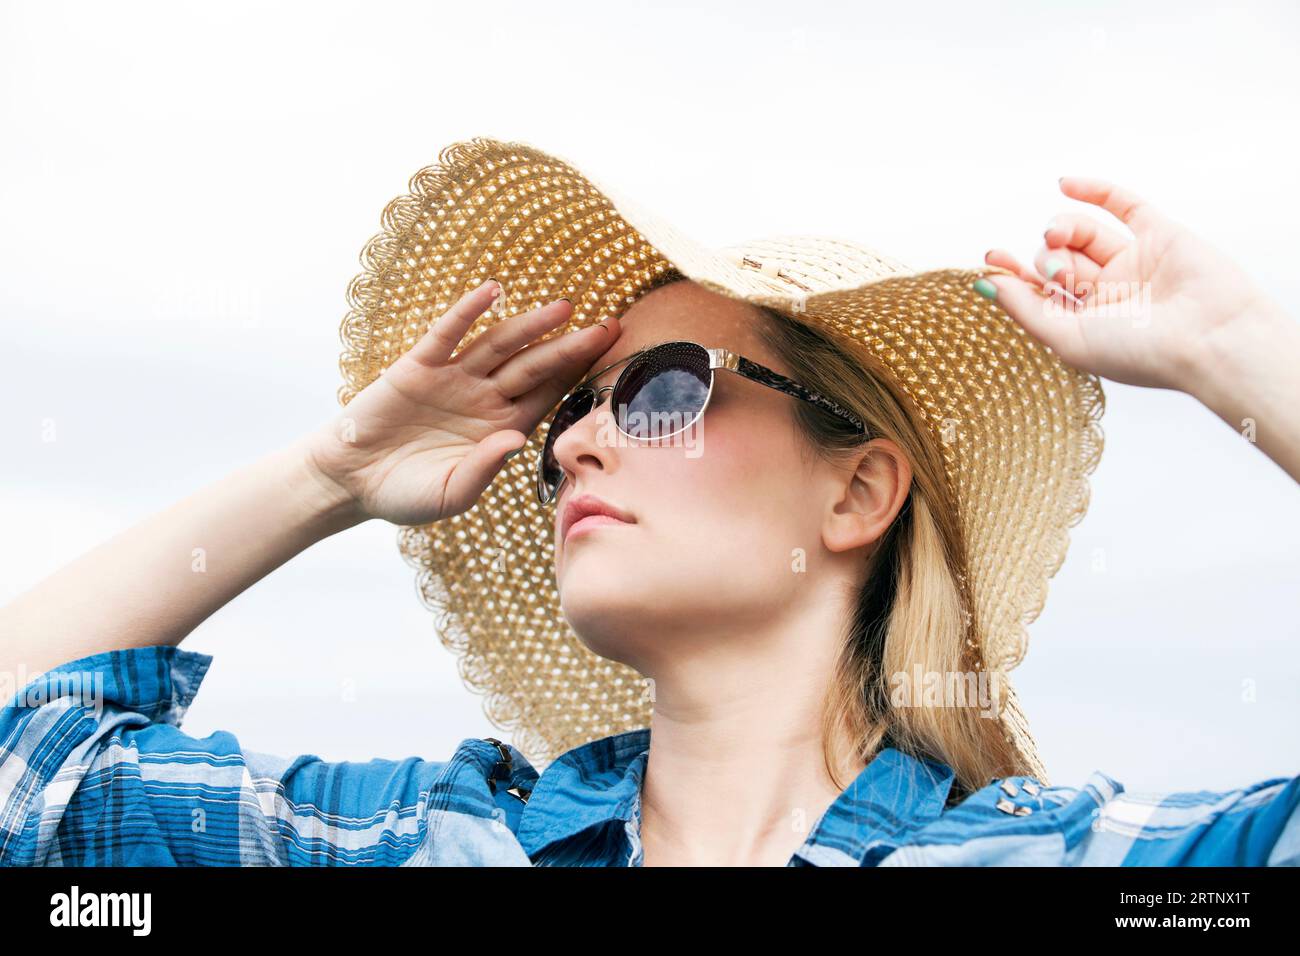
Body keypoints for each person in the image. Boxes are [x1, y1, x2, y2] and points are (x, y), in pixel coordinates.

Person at [1, 170, 1297, 867]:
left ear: (856, 493)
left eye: (662, 389)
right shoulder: (443, 841)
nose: (576, 440)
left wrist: (1241, 358)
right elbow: (21, 771)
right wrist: (335, 474)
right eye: (568, 413)